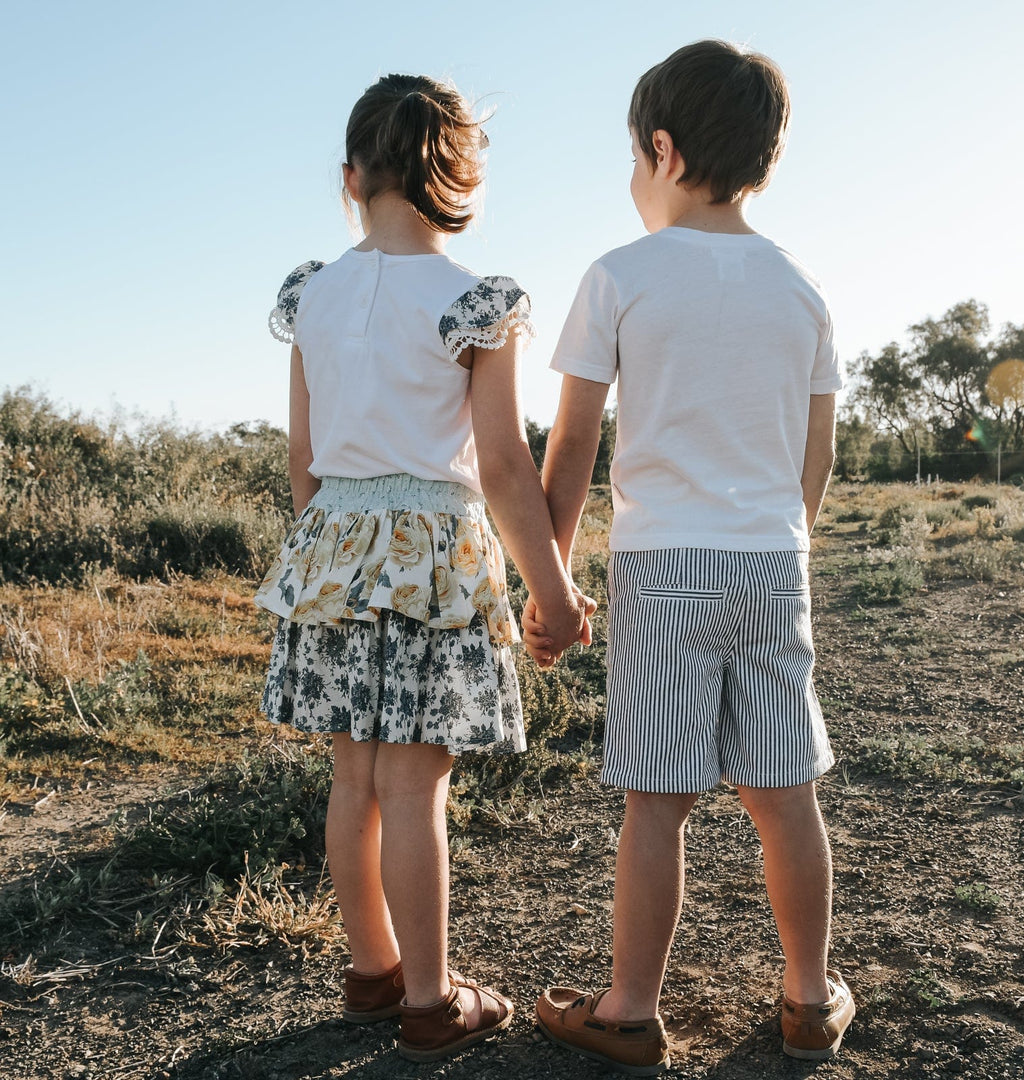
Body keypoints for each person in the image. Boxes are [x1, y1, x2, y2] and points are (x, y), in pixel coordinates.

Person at [524, 40, 854, 1075]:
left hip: (662, 566)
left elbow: (573, 442)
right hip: (769, 564)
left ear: (661, 150)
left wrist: (555, 576)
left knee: (655, 802)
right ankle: (808, 996)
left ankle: (629, 1008)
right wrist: (780, 537)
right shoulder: (801, 286)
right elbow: (818, 450)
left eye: (634, 157)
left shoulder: (619, 276)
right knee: (783, 792)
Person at [253, 73, 588, 1063]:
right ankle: (433, 1000)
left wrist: (335, 557)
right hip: (432, 556)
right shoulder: (477, 303)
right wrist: (553, 591)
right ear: (458, 176)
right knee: (414, 789)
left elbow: (302, 462)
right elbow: (500, 466)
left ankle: (371, 969)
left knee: (352, 778)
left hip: (332, 548)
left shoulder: (311, 294)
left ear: (352, 176)